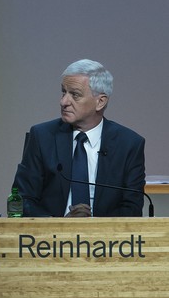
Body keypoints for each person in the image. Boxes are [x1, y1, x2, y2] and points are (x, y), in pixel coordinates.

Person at [13, 59, 145, 217]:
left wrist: (94, 225)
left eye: (74, 95)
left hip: (106, 239)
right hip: (49, 238)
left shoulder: (129, 144)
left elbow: (132, 207)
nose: (63, 102)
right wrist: (60, 225)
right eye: (63, 92)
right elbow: (22, 200)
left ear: (100, 102)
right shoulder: (42, 136)